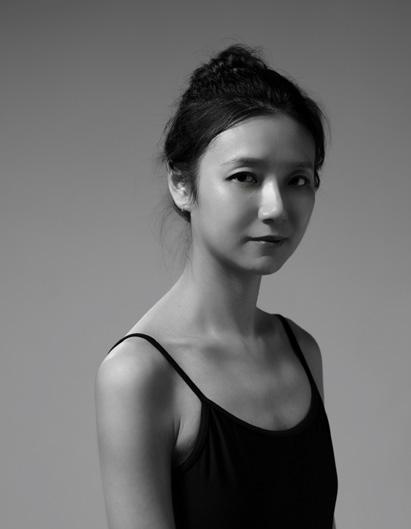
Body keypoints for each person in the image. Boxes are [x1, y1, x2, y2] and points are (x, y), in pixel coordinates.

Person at [95, 43, 338, 529]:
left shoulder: (301, 350)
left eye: (298, 180)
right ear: (182, 185)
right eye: (245, 176)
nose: (276, 207)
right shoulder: (139, 375)